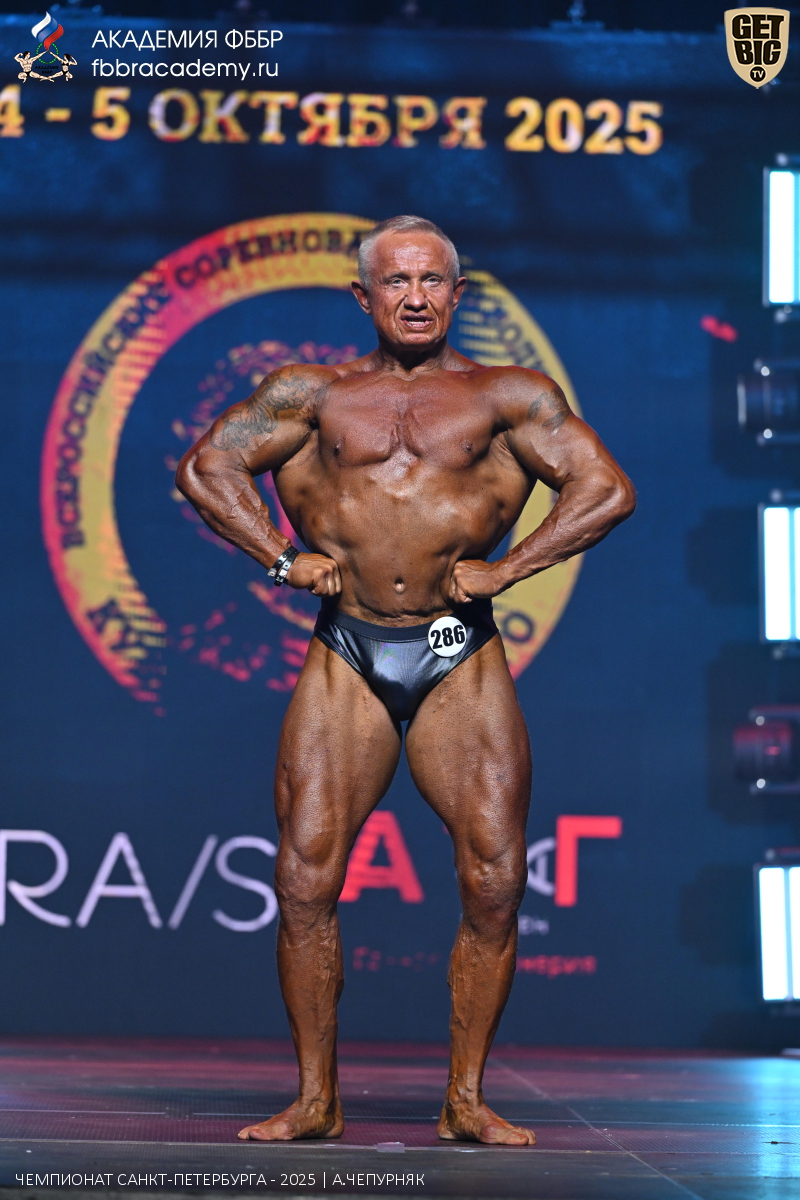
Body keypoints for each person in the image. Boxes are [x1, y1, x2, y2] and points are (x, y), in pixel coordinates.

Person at [176, 215, 635, 1146]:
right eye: (396, 281)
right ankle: (315, 1099)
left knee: (495, 878)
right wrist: (279, 557)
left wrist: (512, 568)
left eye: (432, 281)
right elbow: (205, 466)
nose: (416, 297)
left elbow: (606, 488)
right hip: (347, 649)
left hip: (458, 649)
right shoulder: (310, 394)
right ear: (364, 296)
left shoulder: (507, 395)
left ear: (458, 294)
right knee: (304, 877)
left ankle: (465, 1099)